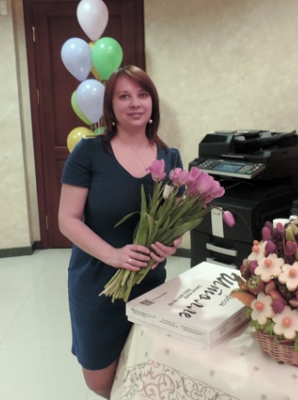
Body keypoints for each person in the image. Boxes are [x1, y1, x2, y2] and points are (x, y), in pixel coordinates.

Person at [58, 65, 183, 399]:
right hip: (98, 283)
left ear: (153, 102)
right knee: (100, 381)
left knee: (146, 372)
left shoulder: (170, 158)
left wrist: (172, 243)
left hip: (150, 285)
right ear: (111, 106)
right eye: (124, 96)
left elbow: (175, 221)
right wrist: (114, 255)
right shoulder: (89, 153)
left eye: (142, 95)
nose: (135, 103)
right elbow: (67, 219)